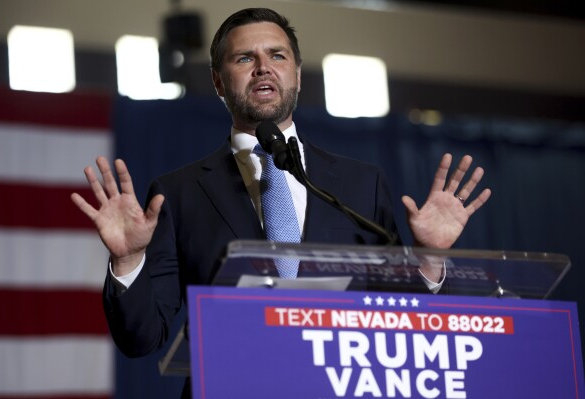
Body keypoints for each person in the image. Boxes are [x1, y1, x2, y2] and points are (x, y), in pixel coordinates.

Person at [71, 4, 490, 386]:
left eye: (277, 55)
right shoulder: (178, 194)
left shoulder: (360, 185)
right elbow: (142, 338)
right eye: (244, 58)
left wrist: (429, 259)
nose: (262, 69)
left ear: (297, 73)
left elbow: (403, 321)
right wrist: (128, 262)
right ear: (219, 81)